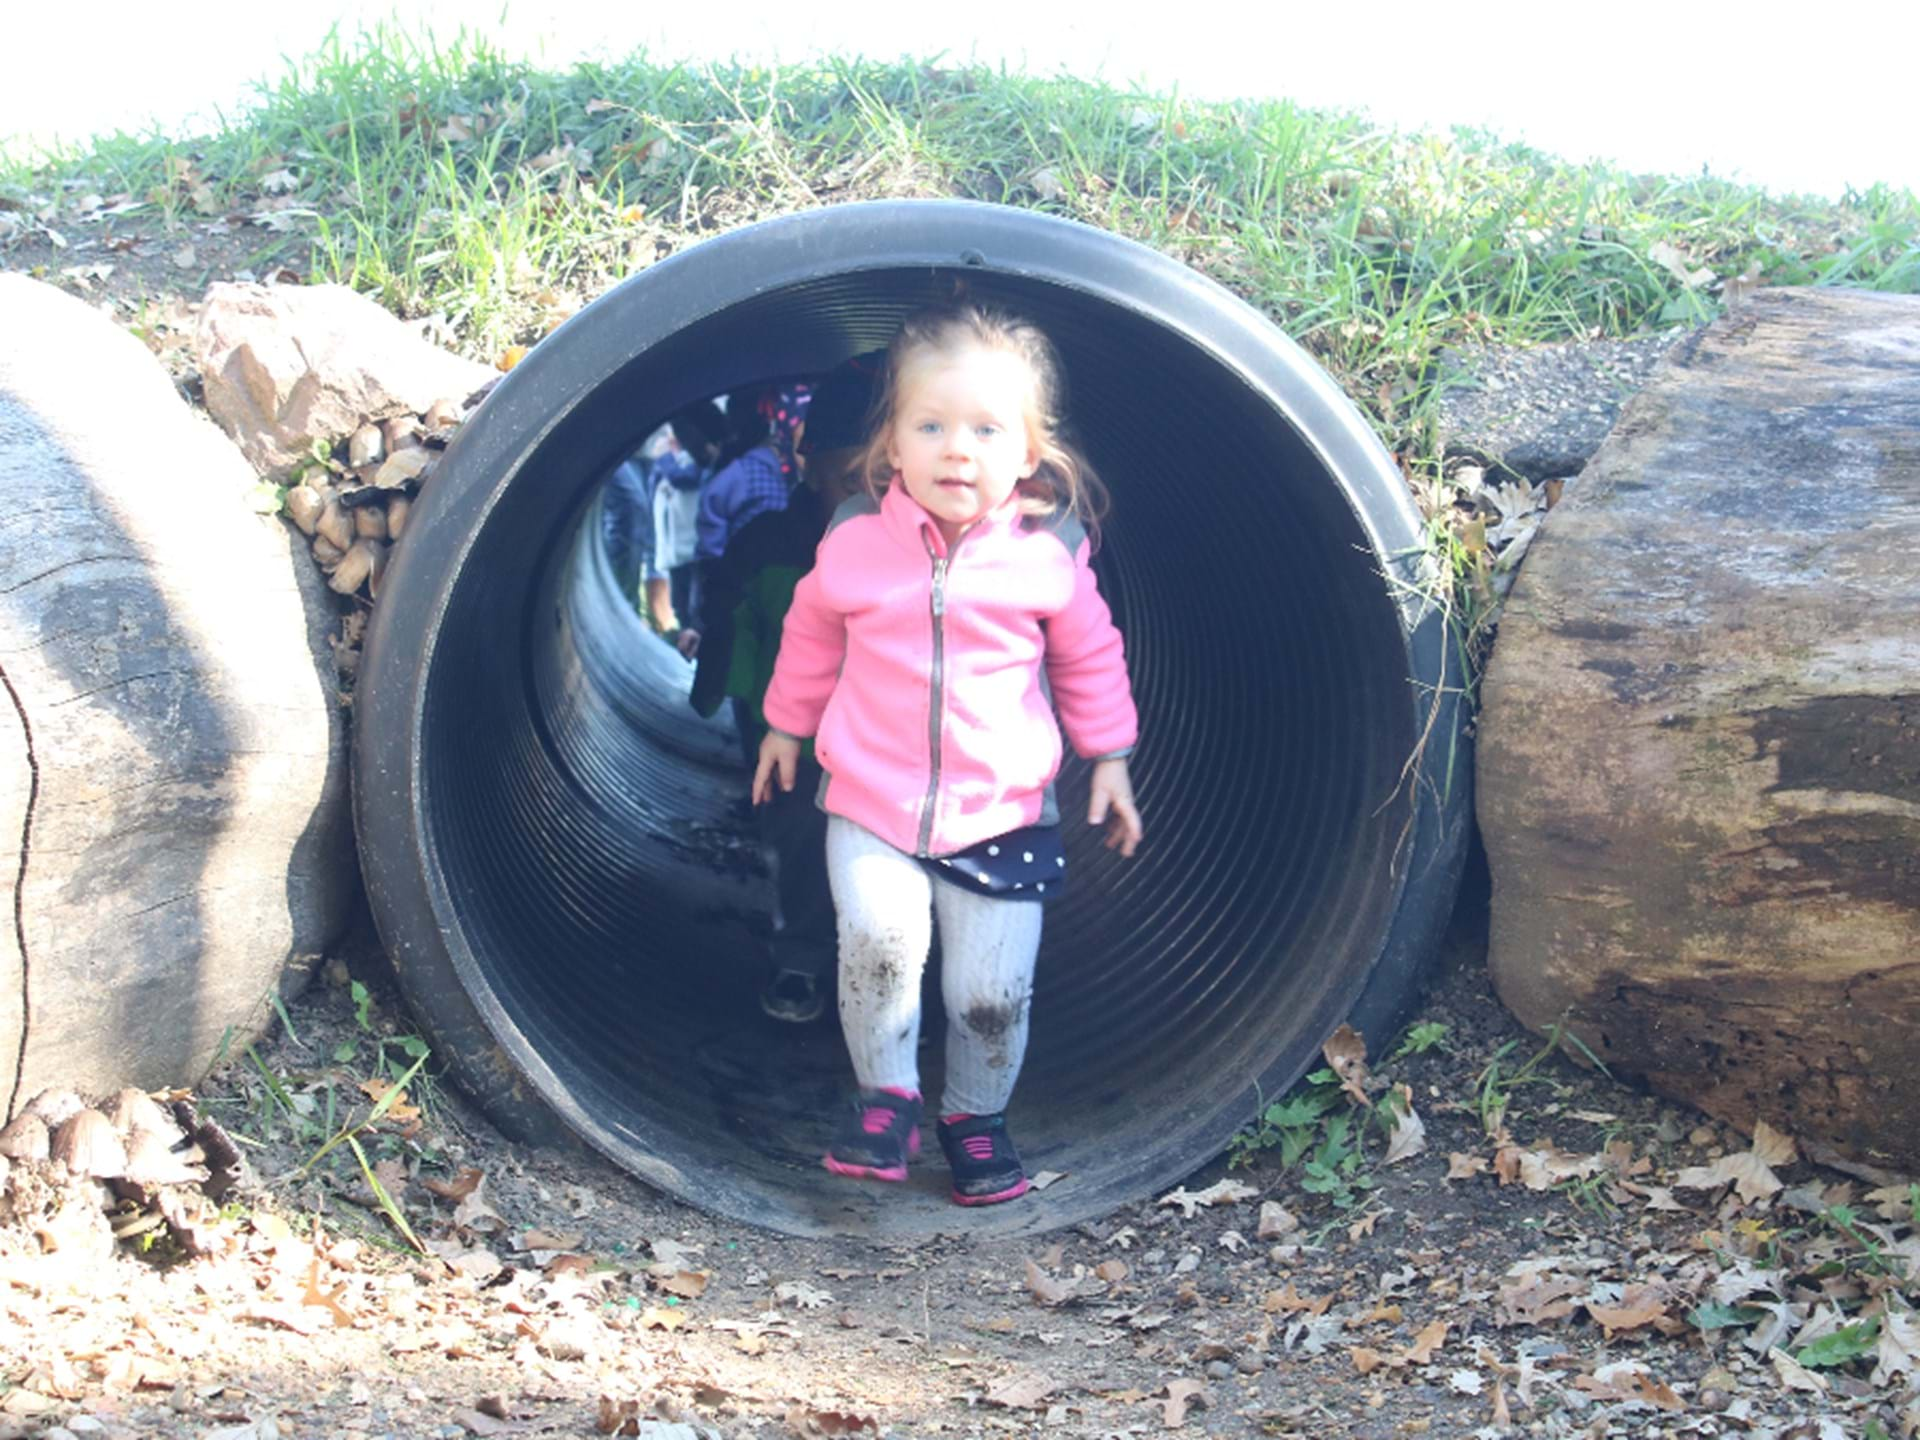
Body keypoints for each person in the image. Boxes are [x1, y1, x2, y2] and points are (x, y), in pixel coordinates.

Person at [754, 305, 1143, 1206]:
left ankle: (975, 1117)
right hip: (871, 802)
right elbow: (811, 631)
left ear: (1030, 453)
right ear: (892, 444)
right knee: (880, 947)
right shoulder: (856, 541)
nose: (956, 450)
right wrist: (784, 725)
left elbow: (1089, 655)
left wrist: (1111, 756)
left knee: (988, 996)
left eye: (985, 429)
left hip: (1003, 811)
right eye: (930, 426)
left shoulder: (1047, 557)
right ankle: (885, 1099)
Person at [690, 355, 883, 1024]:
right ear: (811, 469)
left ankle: (888, 974)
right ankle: (801, 953)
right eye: (850, 479)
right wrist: (718, 687)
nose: (868, 496)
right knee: (802, 829)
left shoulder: (921, 549)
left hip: (886, 733)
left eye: (883, 479)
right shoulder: (772, 542)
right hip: (791, 727)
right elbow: (730, 614)